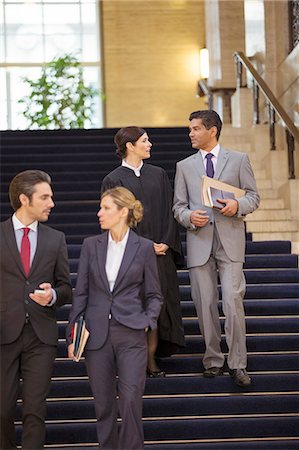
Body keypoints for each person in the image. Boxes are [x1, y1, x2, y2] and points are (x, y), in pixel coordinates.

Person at [66, 186, 163, 450]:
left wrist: (147, 321)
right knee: (104, 405)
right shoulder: (90, 246)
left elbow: (154, 294)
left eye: (106, 208)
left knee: (131, 399)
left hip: (131, 332)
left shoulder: (143, 248)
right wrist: (73, 332)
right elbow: (81, 292)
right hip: (96, 335)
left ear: (123, 211)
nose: (99, 213)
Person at [173, 110, 260, 387]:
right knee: (204, 304)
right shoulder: (184, 166)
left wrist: (238, 206)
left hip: (231, 242)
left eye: (196, 129)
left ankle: (238, 364)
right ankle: (213, 360)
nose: (191, 134)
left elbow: (253, 196)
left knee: (233, 302)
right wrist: (188, 217)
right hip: (199, 242)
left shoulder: (238, 160)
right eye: (190, 129)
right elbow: (178, 207)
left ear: (212, 131)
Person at [101, 126, 185, 376]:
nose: (150, 145)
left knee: (156, 307)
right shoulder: (113, 179)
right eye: (145, 141)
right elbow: (113, 218)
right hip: (131, 256)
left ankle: (151, 360)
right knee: (136, 309)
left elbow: (170, 211)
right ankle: (137, 361)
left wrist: (167, 243)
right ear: (130, 145)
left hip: (161, 253)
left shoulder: (158, 174)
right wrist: (143, 246)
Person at [0, 170, 72, 450]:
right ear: (23, 199)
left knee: (34, 410)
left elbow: (65, 287)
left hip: (41, 337)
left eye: (50, 197)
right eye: (44, 197)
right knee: (2, 410)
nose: (51, 203)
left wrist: (53, 295)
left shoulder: (56, 239)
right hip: (3, 334)